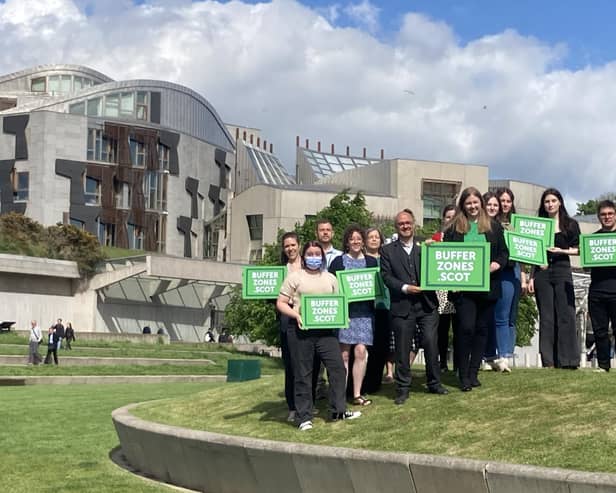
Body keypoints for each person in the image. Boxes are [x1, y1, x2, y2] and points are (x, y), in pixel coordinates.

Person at [276, 241, 361, 431]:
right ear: (304, 256)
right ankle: (303, 416)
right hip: (300, 331)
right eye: (310, 253)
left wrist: (342, 316)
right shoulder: (295, 277)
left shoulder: (330, 278)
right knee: (303, 374)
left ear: (322, 257)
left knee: (338, 368)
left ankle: (338, 410)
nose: (313, 257)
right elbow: (281, 303)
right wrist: (296, 315)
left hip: (326, 332)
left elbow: (339, 302)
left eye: (317, 254)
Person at [444, 187, 509, 391]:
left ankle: (473, 373)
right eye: (468, 203)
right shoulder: (454, 229)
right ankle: (462, 374)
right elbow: (446, 257)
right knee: (465, 329)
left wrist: (496, 265)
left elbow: (504, 254)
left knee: (482, 330)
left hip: (488, 288)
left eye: (475, 202)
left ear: (480, 203)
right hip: (463, 290)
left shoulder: (494, 227)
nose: (472, 206)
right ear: (463, 205)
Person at [381, 209, 448, 405]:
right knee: (402, 349)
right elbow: (386, 277)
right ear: (396, 227)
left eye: (408, 222)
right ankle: (402, 388)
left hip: (427, 304)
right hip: (402, 305)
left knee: (430, 343)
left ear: (414, 224)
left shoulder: (426, 246)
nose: (405, 226)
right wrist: (405, 288)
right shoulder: (387, 251)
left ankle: (434, 383)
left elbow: (439, 266)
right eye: (401, 223)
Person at [528, 188, 581, 368]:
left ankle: (568, 360)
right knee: (547, 317)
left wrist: (562, 251)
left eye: (553, 201)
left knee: (566, 314)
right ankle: (548, 361)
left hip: (562, 268)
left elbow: (580, 249)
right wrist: (531, 277)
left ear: (560, 202)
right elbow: (531, 252)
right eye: (546, 201)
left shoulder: (571, 224)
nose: (550, 204)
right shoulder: (538, 225)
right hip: (542, 272)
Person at [329, 225, 377, 406]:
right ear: (347, 242)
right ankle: (341, 393)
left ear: (363, 241)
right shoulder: (337, 262)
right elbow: (332, 288)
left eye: (359, 238)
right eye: (352, 239)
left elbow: (376, 286)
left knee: (361, 352)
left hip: (364, 314)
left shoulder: (372, 262)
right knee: (344, 356)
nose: (356, 242)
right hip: (345, 314)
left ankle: (357, 394)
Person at [278, 231, 318, 422]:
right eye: (286, 246)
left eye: (293, 245)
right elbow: (275, 299)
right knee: (292, 364)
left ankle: (310, 404)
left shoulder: (310, 263)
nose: (290, 248)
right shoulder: (280, 270)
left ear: (299, 245)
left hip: (312, 318)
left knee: (312, 363)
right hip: (288, 319)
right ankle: (293, 406)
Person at [314, 219, 342, 399]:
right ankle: (317, 386)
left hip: (334, 309)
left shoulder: (340, 256)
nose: (325, 232)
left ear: (332, 233)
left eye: (328, 229)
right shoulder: (310, 253)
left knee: (334, 350)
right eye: (321, 230)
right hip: (314, 309)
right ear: (317, 233)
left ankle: (336, 389)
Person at [588, 200, 616, 372]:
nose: (607, 217)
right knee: (600, 331)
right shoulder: (592, 239)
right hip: (597, 291)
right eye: (603, 214)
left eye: (610, 213)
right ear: (598, 217)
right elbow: (585, 266)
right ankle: (603, 365)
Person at [363, 227, 391, 391]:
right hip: (366, 307)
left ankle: (374, 383)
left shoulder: (387, 258)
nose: (373, 239)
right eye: (370, 237)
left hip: (385, 305)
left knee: (380, 346)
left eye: (376, 237)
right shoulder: (362, 260)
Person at [482, 192, 507, 371]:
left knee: (489, 319)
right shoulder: (471, 226)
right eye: (489, 204)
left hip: (492, 280)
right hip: (471, 282)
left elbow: (504, 253)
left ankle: (490, 355)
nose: (492, 207)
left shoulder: (498, 228)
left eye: (495, 205)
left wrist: (497, 263)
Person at [435, 205, 457, 372]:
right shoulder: (436, 238)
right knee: (442, 327)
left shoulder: (461, 238)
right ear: (443, 219)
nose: (451, 220)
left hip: (458, 289)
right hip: (442, 290)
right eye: (448, 217)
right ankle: (442, 362)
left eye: (454, 217)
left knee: (459, 327)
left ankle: (458, 362)